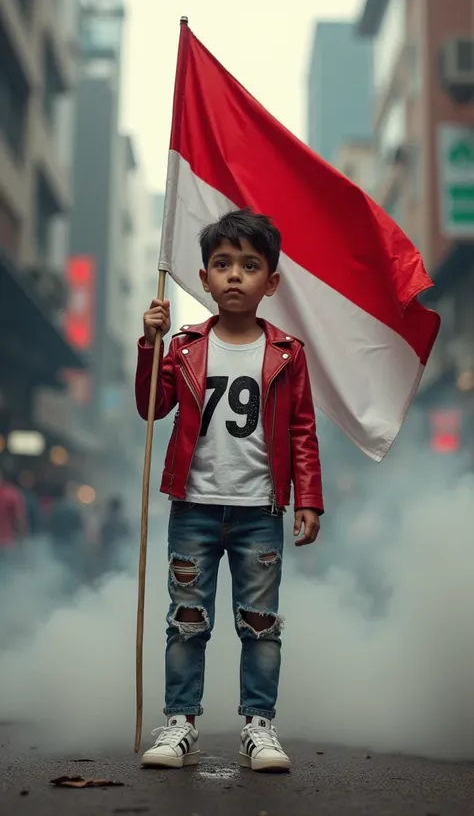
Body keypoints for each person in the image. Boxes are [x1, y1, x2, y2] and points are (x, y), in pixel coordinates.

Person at [135, 209, 324, 772]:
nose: (234, 275)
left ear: (272, 281)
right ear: (204, 276)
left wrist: (308, 498)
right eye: (222, 264)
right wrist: (151, 344)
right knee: (186, 619)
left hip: (259, 510)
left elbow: (302, 430)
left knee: (260, 623)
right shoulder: (186, 344)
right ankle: (179, 723)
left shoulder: (288, 353)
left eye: (249, 264)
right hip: (193, 505)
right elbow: (152, 406)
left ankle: (259, 727)